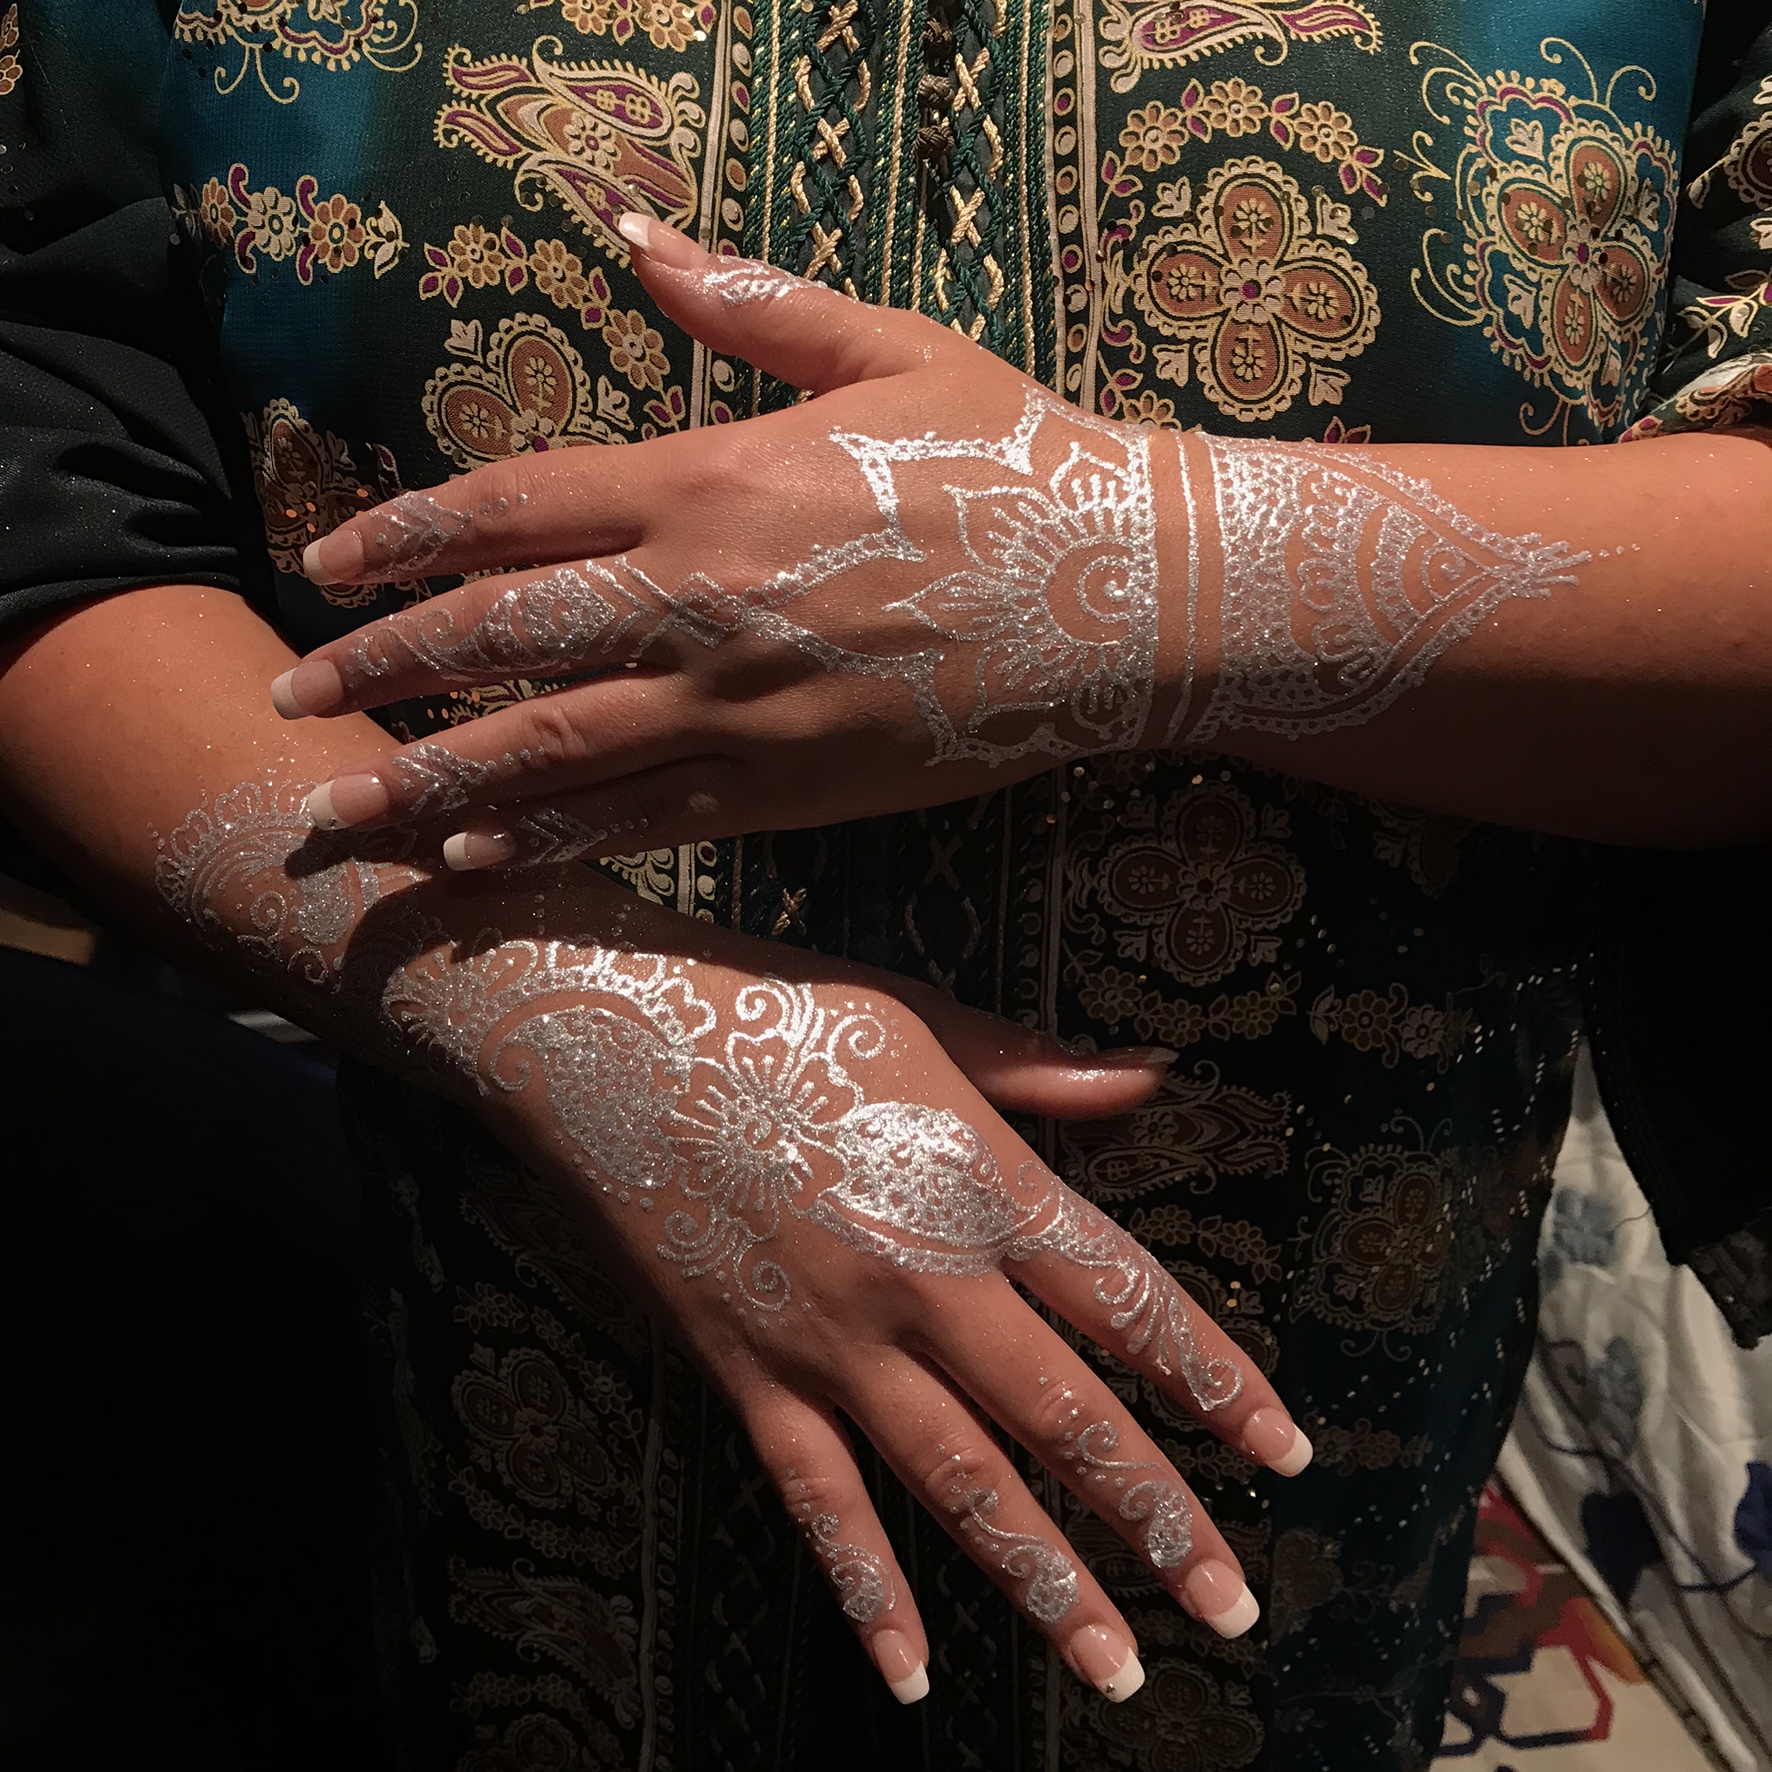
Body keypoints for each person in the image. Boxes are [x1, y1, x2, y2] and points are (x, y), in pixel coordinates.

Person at [0, 3, 1767, 1769]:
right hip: (527, 1393)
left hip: (1304, 1447)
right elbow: (50, 474)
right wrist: (569, 1013)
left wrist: (1149, 573)